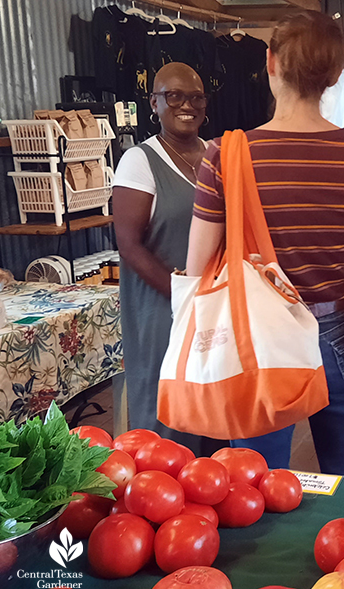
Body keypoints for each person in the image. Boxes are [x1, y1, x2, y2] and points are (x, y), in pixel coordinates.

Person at [185, 12, 344, 479]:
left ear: (270, 63)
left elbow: (197, 266)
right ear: (335, 74)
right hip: (341, 334)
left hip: (259, 340)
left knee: (256, 483)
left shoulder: (226, 154)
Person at [113, 62, 222, 456]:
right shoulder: (140, 161)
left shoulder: (216, 156)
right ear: (154, 102)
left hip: (212, 308)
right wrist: (181, 294)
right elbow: (129, 244)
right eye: (173, 96)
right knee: (167, 415)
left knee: (212, 404)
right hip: (162, 311)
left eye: (195, 97)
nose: (186, 105)